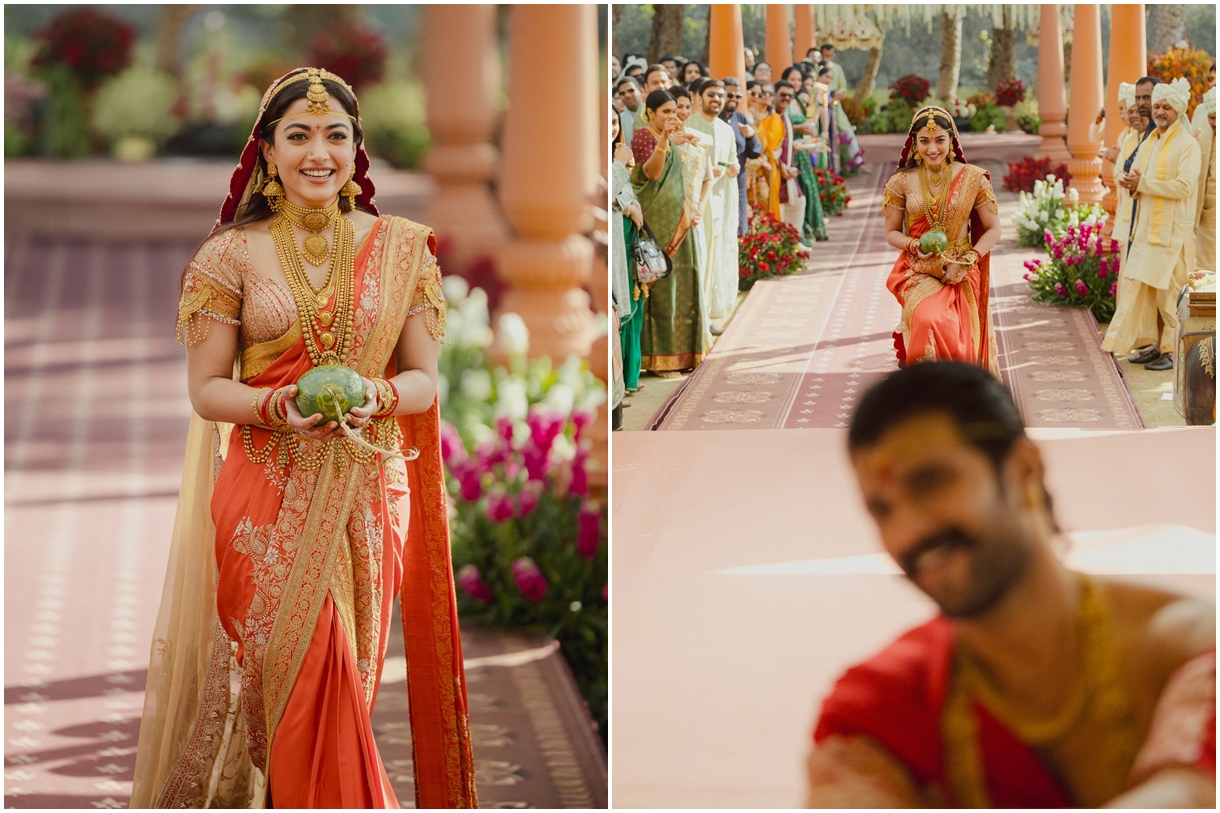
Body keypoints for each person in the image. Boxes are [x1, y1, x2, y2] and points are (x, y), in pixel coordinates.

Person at [130, 68, 476, 809]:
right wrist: (279, 406)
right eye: (298, 136)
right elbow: (207, 389)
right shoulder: (230, 255)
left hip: (364, 489)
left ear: (357, 149)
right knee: (302, 670)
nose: (318, 151)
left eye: (335, 135)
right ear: (267, 152)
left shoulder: (404, 248)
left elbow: (423, 380)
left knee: (345, 677)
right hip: (263, 487)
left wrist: (378, 394)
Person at [807, 361, 1216, 808]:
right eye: (882, 509)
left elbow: (1192, 794)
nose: (908, 533)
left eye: (931, 482)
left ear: (1024, 470)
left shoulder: (1189, 651)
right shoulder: (881, 707)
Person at [882, 107, 1001, 373]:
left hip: (961, 268)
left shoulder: (974, 178)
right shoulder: (900, 182)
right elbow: (891, 233)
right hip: (917, 268)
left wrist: (968, 260)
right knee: (928, 319)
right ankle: (926, 394)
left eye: (939, 140)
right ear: (914, 143)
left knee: (954, 328)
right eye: (924, 141)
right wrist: (915, 245)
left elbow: (993, 229)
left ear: (952, 140)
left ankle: (958, 391)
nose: (932, 148)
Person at [1104, 78, 1202, 371]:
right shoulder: (1151, 141)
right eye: (1157, 105)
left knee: (1171, 295)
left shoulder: (1187, 145)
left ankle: (1175, 352)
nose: (1159, 111)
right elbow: (1133, 175)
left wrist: (1142, 184)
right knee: (1150, 294)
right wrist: (1131, 184)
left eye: (1166, 107)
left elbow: (1184, 187)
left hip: (1172, 233)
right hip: (1146, 230)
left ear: (1178, 112)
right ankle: (1158, 345)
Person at [631, 89, 712, 377]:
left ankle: (685, 353)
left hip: (681, 221)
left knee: (686, 285)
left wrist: (677, 139)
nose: (671, 116)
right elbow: (652, 174)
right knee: (663, 291)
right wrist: (666, 138)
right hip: (657, 227)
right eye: (665, 111)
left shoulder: (669, 136)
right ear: (650, 113)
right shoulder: (643, 135)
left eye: (673, 111)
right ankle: (660, 358)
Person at [687, 78, 740, 328]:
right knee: (699, 258)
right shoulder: (690, 127)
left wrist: (733, 169)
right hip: (696, 204)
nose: (717, 99)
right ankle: (695, 316)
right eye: (712, 94)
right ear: (699, 97)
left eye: (721, 95)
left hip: (719, 203)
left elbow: (732, 160)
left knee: (713, 259)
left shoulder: (726, 129)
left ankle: (706, 315)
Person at [612, 111, 645, 398]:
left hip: (627, 240)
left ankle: (627, 380)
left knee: (633, 308)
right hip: (612, 243)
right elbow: (606, 193)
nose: (611, 128)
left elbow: (624, 193)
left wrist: (630, 203)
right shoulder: (615, 161)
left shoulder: (618, 158)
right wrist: (627, 206)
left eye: (614, 122)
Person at [759, 81, 808, 234]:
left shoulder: (786, 117)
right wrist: (781, 165)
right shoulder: (768, 118)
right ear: (775, 96)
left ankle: (792, 242)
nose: (786, 98)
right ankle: (783, 244)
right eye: (783, 95)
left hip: (787, 170)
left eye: (790, 96)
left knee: (798, 202)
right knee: (778, 208)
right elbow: (768, 148)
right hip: (773, 172)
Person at [721, 76, 763, 236]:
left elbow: (756, 151)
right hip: (719, 180)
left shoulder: (740, 118)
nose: (734, 99)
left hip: (738, 181)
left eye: (738, 96)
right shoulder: (714, 119)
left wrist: (751, 135)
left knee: (740, 226)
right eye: (729, 95)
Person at [820, 43, 864, 173]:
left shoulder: (837, 68)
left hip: (835, 106)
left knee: (847, 130)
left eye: (831, 55)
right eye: (826, 55)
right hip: (821, 105)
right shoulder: (818, 67)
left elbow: (843, 87)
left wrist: (836, 95)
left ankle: (857, 162)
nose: (829, 57)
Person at [1194, 87, 1216, 273]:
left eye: (1217, 118)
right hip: (1207, 216)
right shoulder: (1204, 136)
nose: (1213, 123)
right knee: (1205, 272)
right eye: (1210, 117)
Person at [635, 64, 673, 131]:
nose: (660, 86)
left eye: (663, 82)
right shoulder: (642, 113)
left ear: (670, 83)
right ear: (646, 87)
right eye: (655, 83)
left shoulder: (681, 105)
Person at [617, 76, 643, 142]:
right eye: (622, 93)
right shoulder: (619, 120)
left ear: (641, 91)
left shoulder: (654, 112)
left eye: (631, 91)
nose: (627, 95)